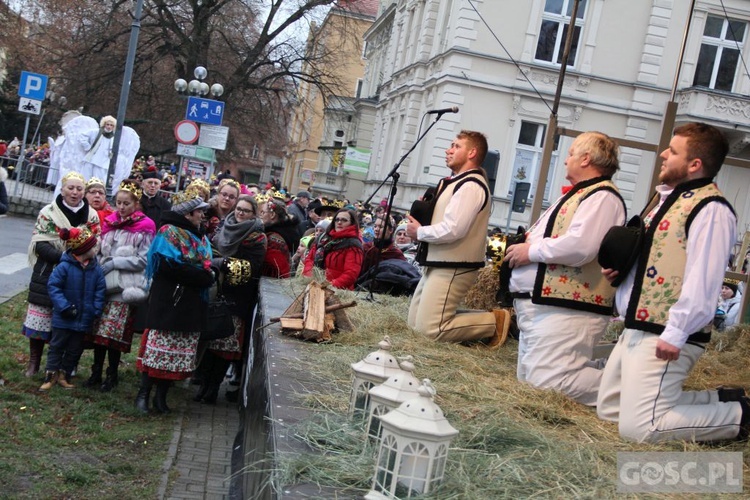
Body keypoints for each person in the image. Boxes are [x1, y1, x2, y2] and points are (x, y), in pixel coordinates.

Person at [596, 122, 746, 443]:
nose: (664, 154)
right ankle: (720, 400)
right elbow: (657, 259)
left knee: (640, 428)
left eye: (673, 151)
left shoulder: (711, 209)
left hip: (665, 332)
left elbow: (703, 279)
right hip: (639, 327)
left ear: (694, 165)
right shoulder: (669, 201)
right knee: (609, 409)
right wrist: (623, 276)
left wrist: (676, 332)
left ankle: (740, 417)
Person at [503, 131, 626, 405]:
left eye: (570, 154)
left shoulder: (602, 197)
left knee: (548, 384)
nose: (566, 159)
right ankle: (625, 385)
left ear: (586, 159)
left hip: (566, 308)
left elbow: (581, 247)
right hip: (545, 306)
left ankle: (637, 392)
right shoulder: (580, 195)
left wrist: (531, 250)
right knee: (531, 383)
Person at [405, 130, 507, 348]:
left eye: (456, 146)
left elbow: (454, 229)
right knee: (415, 324)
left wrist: (420, 232)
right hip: (439, 261)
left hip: (454, 264)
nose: (448, 150)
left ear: (472, 152)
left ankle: (493, 322)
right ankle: (484, 321)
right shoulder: (457, 182)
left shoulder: (470, 185)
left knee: (431, 329)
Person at [135, 191, 215, 414]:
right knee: (157, 352)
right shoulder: (168, 232)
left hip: (190, 303)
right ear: (188, 213)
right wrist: (204, 276)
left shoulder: (199, 235)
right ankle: (143, 395)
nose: (203, 214)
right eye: (199, 210)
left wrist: (207, 272)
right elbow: (168, 265)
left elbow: (205, 263)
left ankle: (161, 397)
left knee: (174, 357)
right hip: (169, 301)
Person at [21, 172, 100, 377]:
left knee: (72, 320)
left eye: (79, 188)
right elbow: (40, 243)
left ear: (84, 191)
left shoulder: (91, 215)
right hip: (49, 270)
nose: (75, 192)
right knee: (41, 316)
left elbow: (96, 242)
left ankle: (64, 365)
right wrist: (65, 258)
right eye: (70, 188)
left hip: (80, 273)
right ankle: (34, 362)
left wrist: (77, 258)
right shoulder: (48, 212)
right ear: (62, 189)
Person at [194, 195, 267, 403]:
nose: (240, 213)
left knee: (224, 347)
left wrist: (222, 262)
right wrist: (216, 261)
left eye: (246, 210)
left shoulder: (257, 237)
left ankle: (213, 388)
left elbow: (251, 268)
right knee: (209, 344)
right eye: (239, 209)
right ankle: (204, 384)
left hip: (237, 298)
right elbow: (211, 252)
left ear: (253, 214)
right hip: (215, 292)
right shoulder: (224, 227)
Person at [86, 180, 155, 392]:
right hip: (103, 282)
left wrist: (115, 262)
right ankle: (96, 371)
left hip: (125, 284)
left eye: (126, 203)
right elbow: (101, 249)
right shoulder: (110, 222)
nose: (122, 207)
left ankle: (112, 374)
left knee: (113, 334)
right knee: (98, 331)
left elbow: (144, 260)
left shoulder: (145, 226)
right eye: (118, 203)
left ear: (136, 203)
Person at [39, 226, 106, 391]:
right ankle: (50, 375)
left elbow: (100, 291)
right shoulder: (64, 267)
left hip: (84, 317)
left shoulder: (95, 269)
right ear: (83, 249)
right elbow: (54, 287)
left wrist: (95, 310)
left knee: (75, 349)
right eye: (93, 246)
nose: (96, 249)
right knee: (57, 346)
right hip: (64, 317)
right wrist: (64, 307)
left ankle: (64, 375)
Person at [303, 208, 363, 290]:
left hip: (336, 292)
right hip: (313, 286)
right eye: (337, 219)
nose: (339, 222)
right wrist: (309, 276)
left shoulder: (353, 244)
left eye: (344, 220)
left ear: (352, 223)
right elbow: (309, 259)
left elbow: (351, 273)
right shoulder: (323, 238)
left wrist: (329, 286)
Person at [259, 197, 298, 278]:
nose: (260, 216)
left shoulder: (274, 240)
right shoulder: (280, 233)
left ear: (272, 215)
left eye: (262, 212)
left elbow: (274, 271)